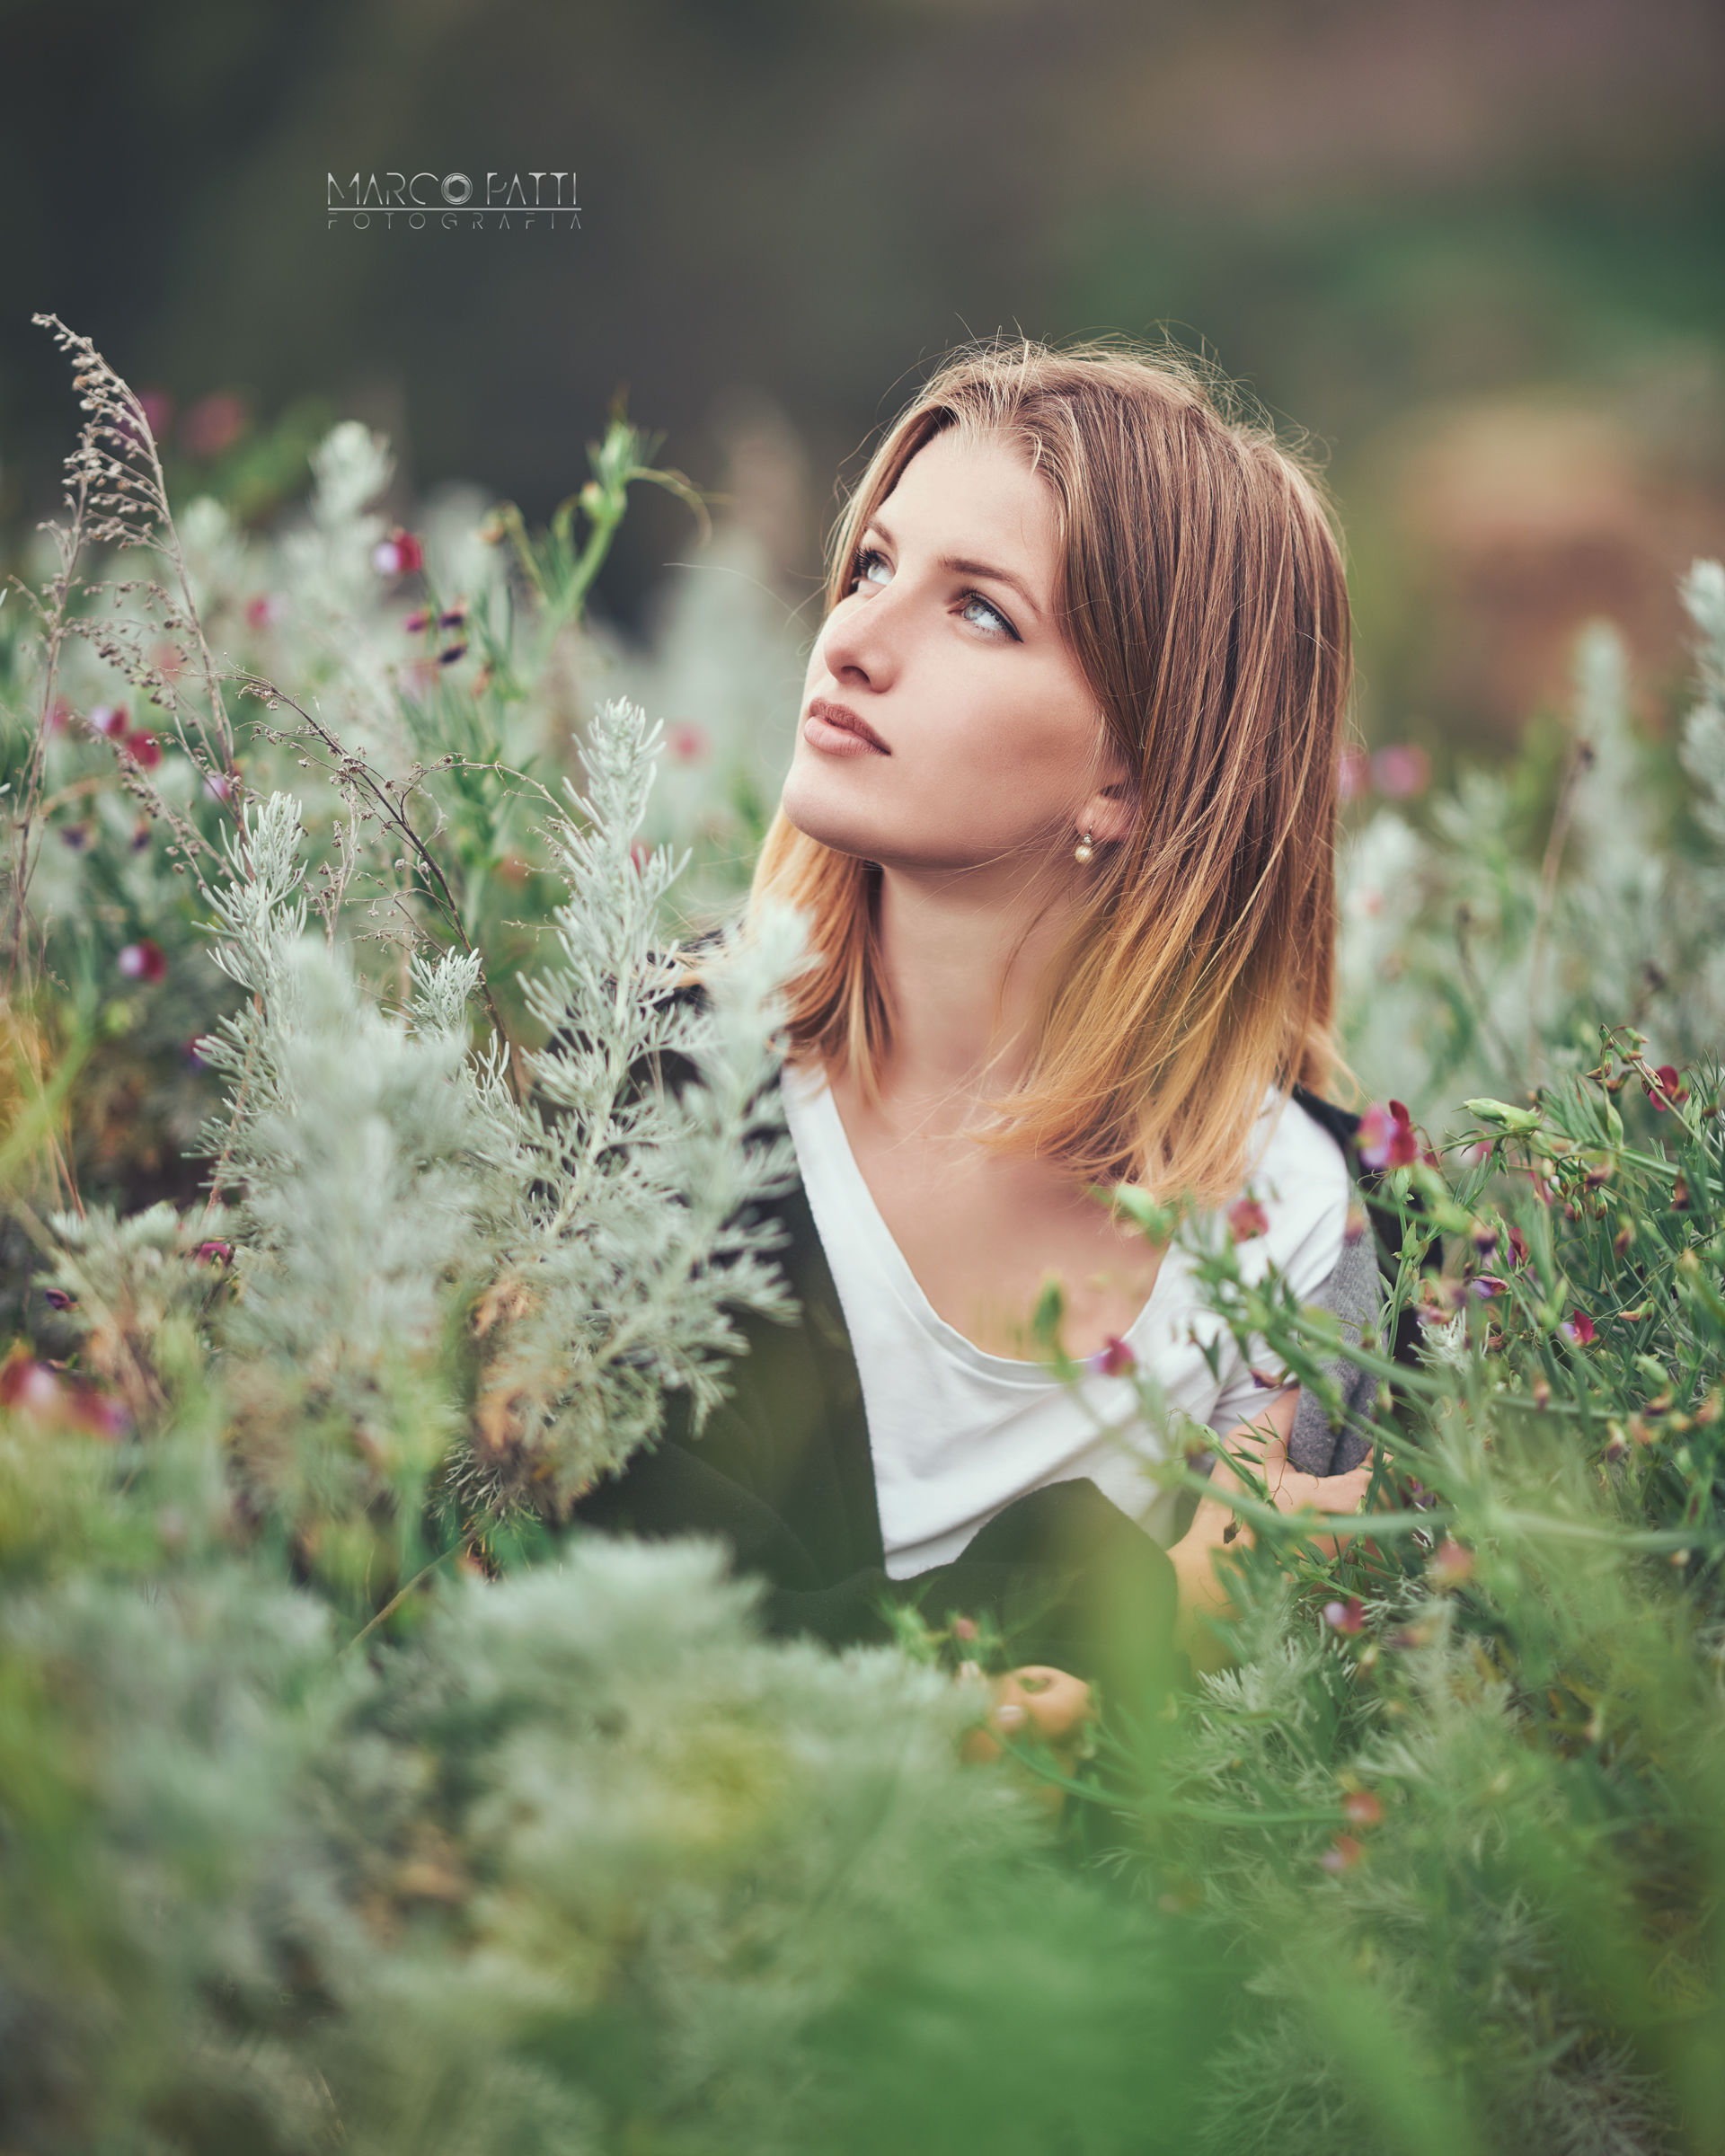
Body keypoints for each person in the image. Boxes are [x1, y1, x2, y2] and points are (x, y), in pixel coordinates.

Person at [574, 336, 1388, 1767]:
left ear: (1133, 771)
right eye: (876, 566)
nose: (853, 640)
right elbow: (647, 1671)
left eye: (982, 614)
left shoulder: (1316, 1235)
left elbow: (1314, 1751)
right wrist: (1124, 1594)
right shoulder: (664, 1079)